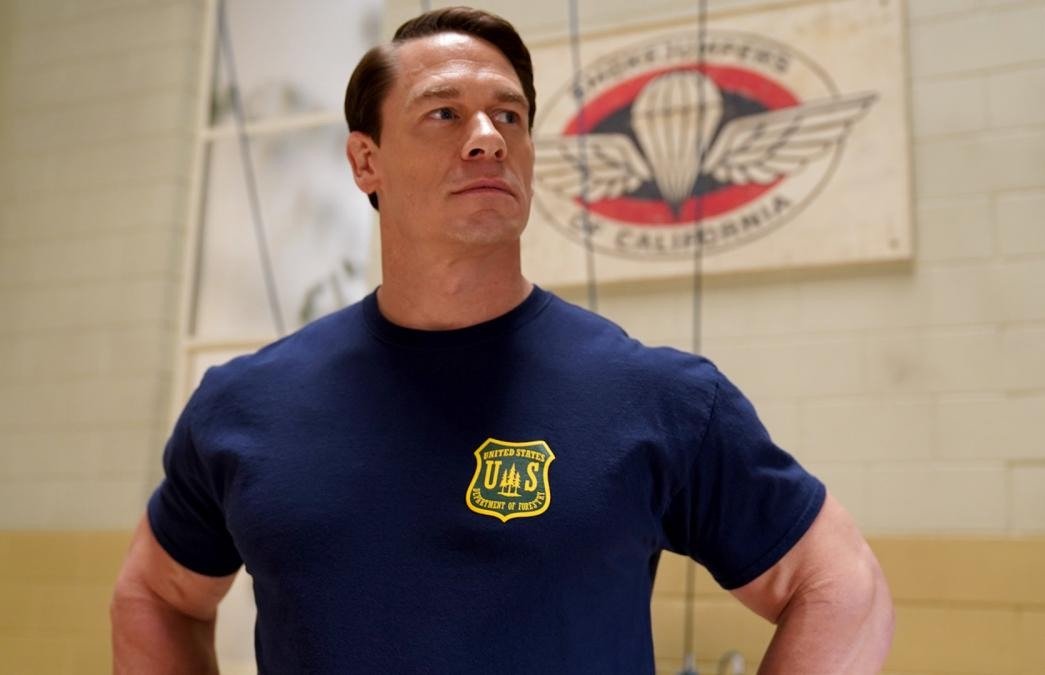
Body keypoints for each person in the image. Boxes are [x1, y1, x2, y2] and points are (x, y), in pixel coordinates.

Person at [111, 7, 894, 673]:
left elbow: (840, 582)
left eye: (508, 116)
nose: (486, 137)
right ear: (365, 160)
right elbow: (155, 593)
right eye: (443, 113)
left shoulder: (657, 397)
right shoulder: (245, 406)